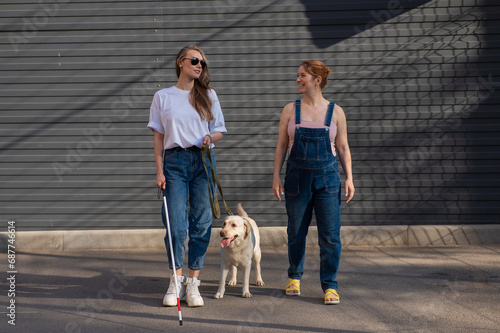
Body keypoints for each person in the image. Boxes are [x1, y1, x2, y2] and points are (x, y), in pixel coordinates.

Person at [147, 45, 227, 307]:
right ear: (181, 62)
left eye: (202, 62)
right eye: (194, 60)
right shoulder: (163, 97)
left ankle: (193, 283)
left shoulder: (209, 95)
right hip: (174, 162)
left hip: (203, 161)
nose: (199, 65)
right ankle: (175, 281)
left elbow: (218, 131)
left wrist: (208, 137)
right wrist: (159, 170)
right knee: (175, 225)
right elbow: (159, 138)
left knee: (202, 223)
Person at [272, 60, 354, 305]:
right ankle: (294, 277)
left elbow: (342, 146)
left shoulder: (336, 112)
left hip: (328, 179)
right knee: (296, 232)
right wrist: (275, 175)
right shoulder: (290, 110)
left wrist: (349, 177)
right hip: (297, 177)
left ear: (317, 80)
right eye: (298, 75)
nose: (298, 79)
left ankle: (330, 286)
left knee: (330, 236)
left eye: (302, 75)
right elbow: (282, 146)